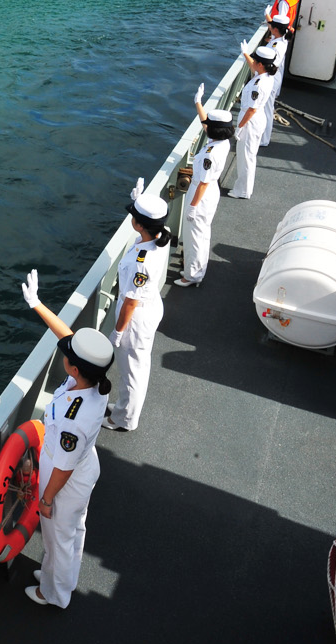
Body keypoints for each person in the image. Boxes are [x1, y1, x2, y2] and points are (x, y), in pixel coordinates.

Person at [19, 270, 114, 609]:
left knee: (58, 536)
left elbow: (63, 466)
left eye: (68, 357)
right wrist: (37, 304)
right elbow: (71, 337)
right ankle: (62, 578)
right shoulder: (91, 379)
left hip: (67, 479)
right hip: (81, 469)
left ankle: (55, 594)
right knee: (73, 531)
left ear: (74, 369)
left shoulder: (76, 417)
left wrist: (46, 498)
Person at [103, 186, 171, 432]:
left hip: (136, 317)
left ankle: (124, 420)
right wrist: (139, 201)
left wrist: (119, 332)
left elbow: (130, 302)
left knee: (132, 370)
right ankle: (123, 406)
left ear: (140, 225)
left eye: (135, 216)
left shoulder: (140, 264)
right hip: (150, 305)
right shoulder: (162, 235)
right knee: (137, 366)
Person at [175, 90, 235, 287]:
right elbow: (207, 125)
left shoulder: (211, 155)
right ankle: (195, 269)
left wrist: (192, 206)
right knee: (200, 234)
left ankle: (192, 276)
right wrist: (198, 104)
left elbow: (203, 183)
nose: (205, 125)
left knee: (196, 237)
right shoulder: (221, 141)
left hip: (201, 195)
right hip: (207, 193)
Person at [228, 44, 277, 200]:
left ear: (261, 64)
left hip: (250, 122)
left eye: (256, 60)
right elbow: (254, 68)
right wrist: (245, 53)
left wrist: (239, 127)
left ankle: (242, 191)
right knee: (248, 156)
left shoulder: (259, 85)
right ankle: (244, 188)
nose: (253, 62)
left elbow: (251, 110)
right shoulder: (266, 76)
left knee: (246, 158)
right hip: (255, 119)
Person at [260, 12, 292, 146]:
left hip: (271, 80)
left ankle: (264, 139)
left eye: (272, 26)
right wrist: (268, 16)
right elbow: (274, 29)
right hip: (273, 78)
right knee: (265, 108)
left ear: (276, 29)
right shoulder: (281, 37)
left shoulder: (276, 45)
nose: (270, 27)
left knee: (267, 110)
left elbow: (270, 64)